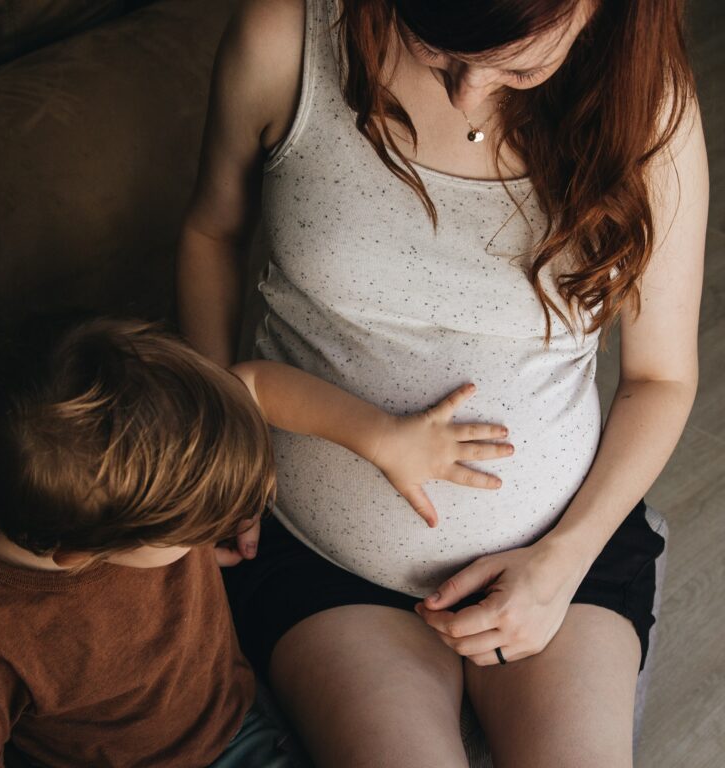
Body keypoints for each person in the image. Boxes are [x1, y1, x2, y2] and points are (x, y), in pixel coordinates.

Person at [177, 0, 707, 765]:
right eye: (437, 52)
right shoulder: (288, 33)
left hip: (557, 546)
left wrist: (563, 562)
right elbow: (211, 230)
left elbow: (661, 378)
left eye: (518, 63)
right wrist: (210, 454)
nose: (468, 94)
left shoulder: (649, 106)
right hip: (320, 553)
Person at [0, 316, 507, 767]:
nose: (222, 524)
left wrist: (384, 438)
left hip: (239, 723)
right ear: (83, 555)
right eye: (189, 530)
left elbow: (256, 386)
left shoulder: (128, 467)